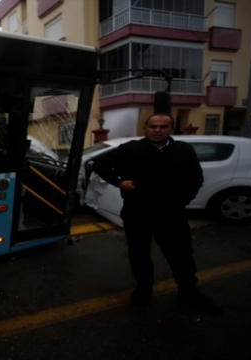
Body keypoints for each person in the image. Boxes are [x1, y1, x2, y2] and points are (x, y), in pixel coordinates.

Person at [93, 113, 222, 315]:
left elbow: (195, 178)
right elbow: (99, 164)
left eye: (163, 126)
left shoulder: (184, 150)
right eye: (153, 126)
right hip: (137, 212)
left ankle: (188, 292)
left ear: (171, 129)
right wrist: (118, 182)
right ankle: (144, 288)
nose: (157, 130)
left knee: (181, 254)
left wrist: (182, 201)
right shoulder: (130, 149)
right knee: (139, 253)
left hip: (171, 214)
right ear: (145, 128)